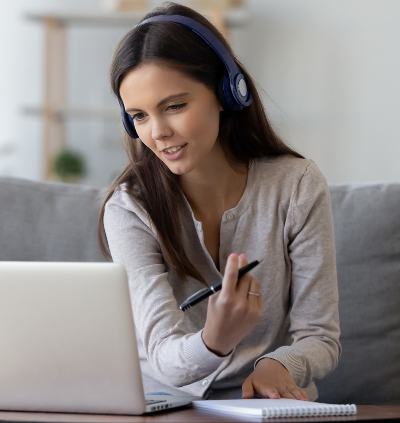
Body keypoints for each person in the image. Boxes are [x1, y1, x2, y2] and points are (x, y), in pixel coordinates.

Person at [97, 2, 340, 402]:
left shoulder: (297, 186)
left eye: (175, 106)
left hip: (266, 404)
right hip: (164, 404)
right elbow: (163, 355)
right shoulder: (129, 208)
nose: (158, 132)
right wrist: (215, 339)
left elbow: (320, 337)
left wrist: (280, 364)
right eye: (139, 116)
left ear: (228, 91)